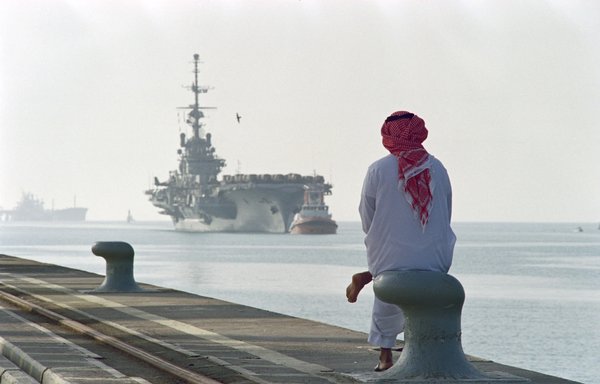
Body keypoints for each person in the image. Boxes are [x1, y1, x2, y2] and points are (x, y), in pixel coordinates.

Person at [346, 111, 456, 372]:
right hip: (436, 261)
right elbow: (447, 211)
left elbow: (366, 214)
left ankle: (386, 356)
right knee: (411, 282)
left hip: (389, 260)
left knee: (389, 285)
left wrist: (378, 240)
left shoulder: (377, 169)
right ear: (420, 133)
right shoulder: (438, 168)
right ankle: (413, 348)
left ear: (387, 136)